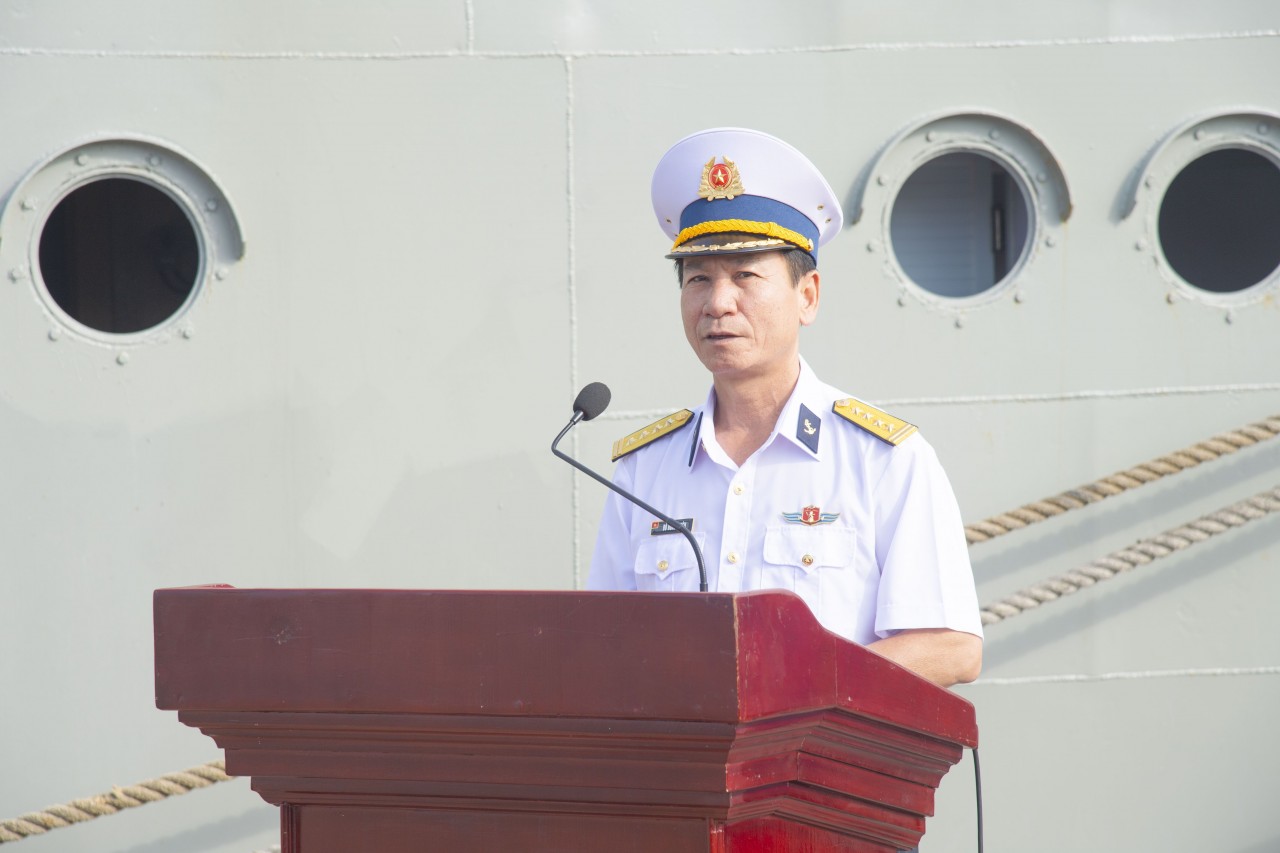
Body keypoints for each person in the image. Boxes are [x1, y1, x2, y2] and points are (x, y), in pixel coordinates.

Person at [587, 127, 982, 688]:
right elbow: (602, 644)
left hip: (822, 767)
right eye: (698, 278)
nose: (718, 302)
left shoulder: (882, 459)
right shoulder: (643, 471)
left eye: (746, 275)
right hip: (682, 770)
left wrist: (800, 685)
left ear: (808, 295)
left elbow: (951, 647)